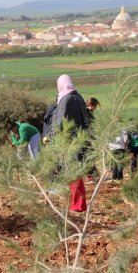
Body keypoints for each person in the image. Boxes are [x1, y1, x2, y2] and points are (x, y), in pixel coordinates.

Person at [51, 74, 88, 212]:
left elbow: (60, 122)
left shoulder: (66, 99)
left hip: (69, 140)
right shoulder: (78, 97)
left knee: (72, 173)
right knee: (76, 172)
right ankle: (79, 204)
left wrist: (52, 136)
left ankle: (77, 205)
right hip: (81, 139)